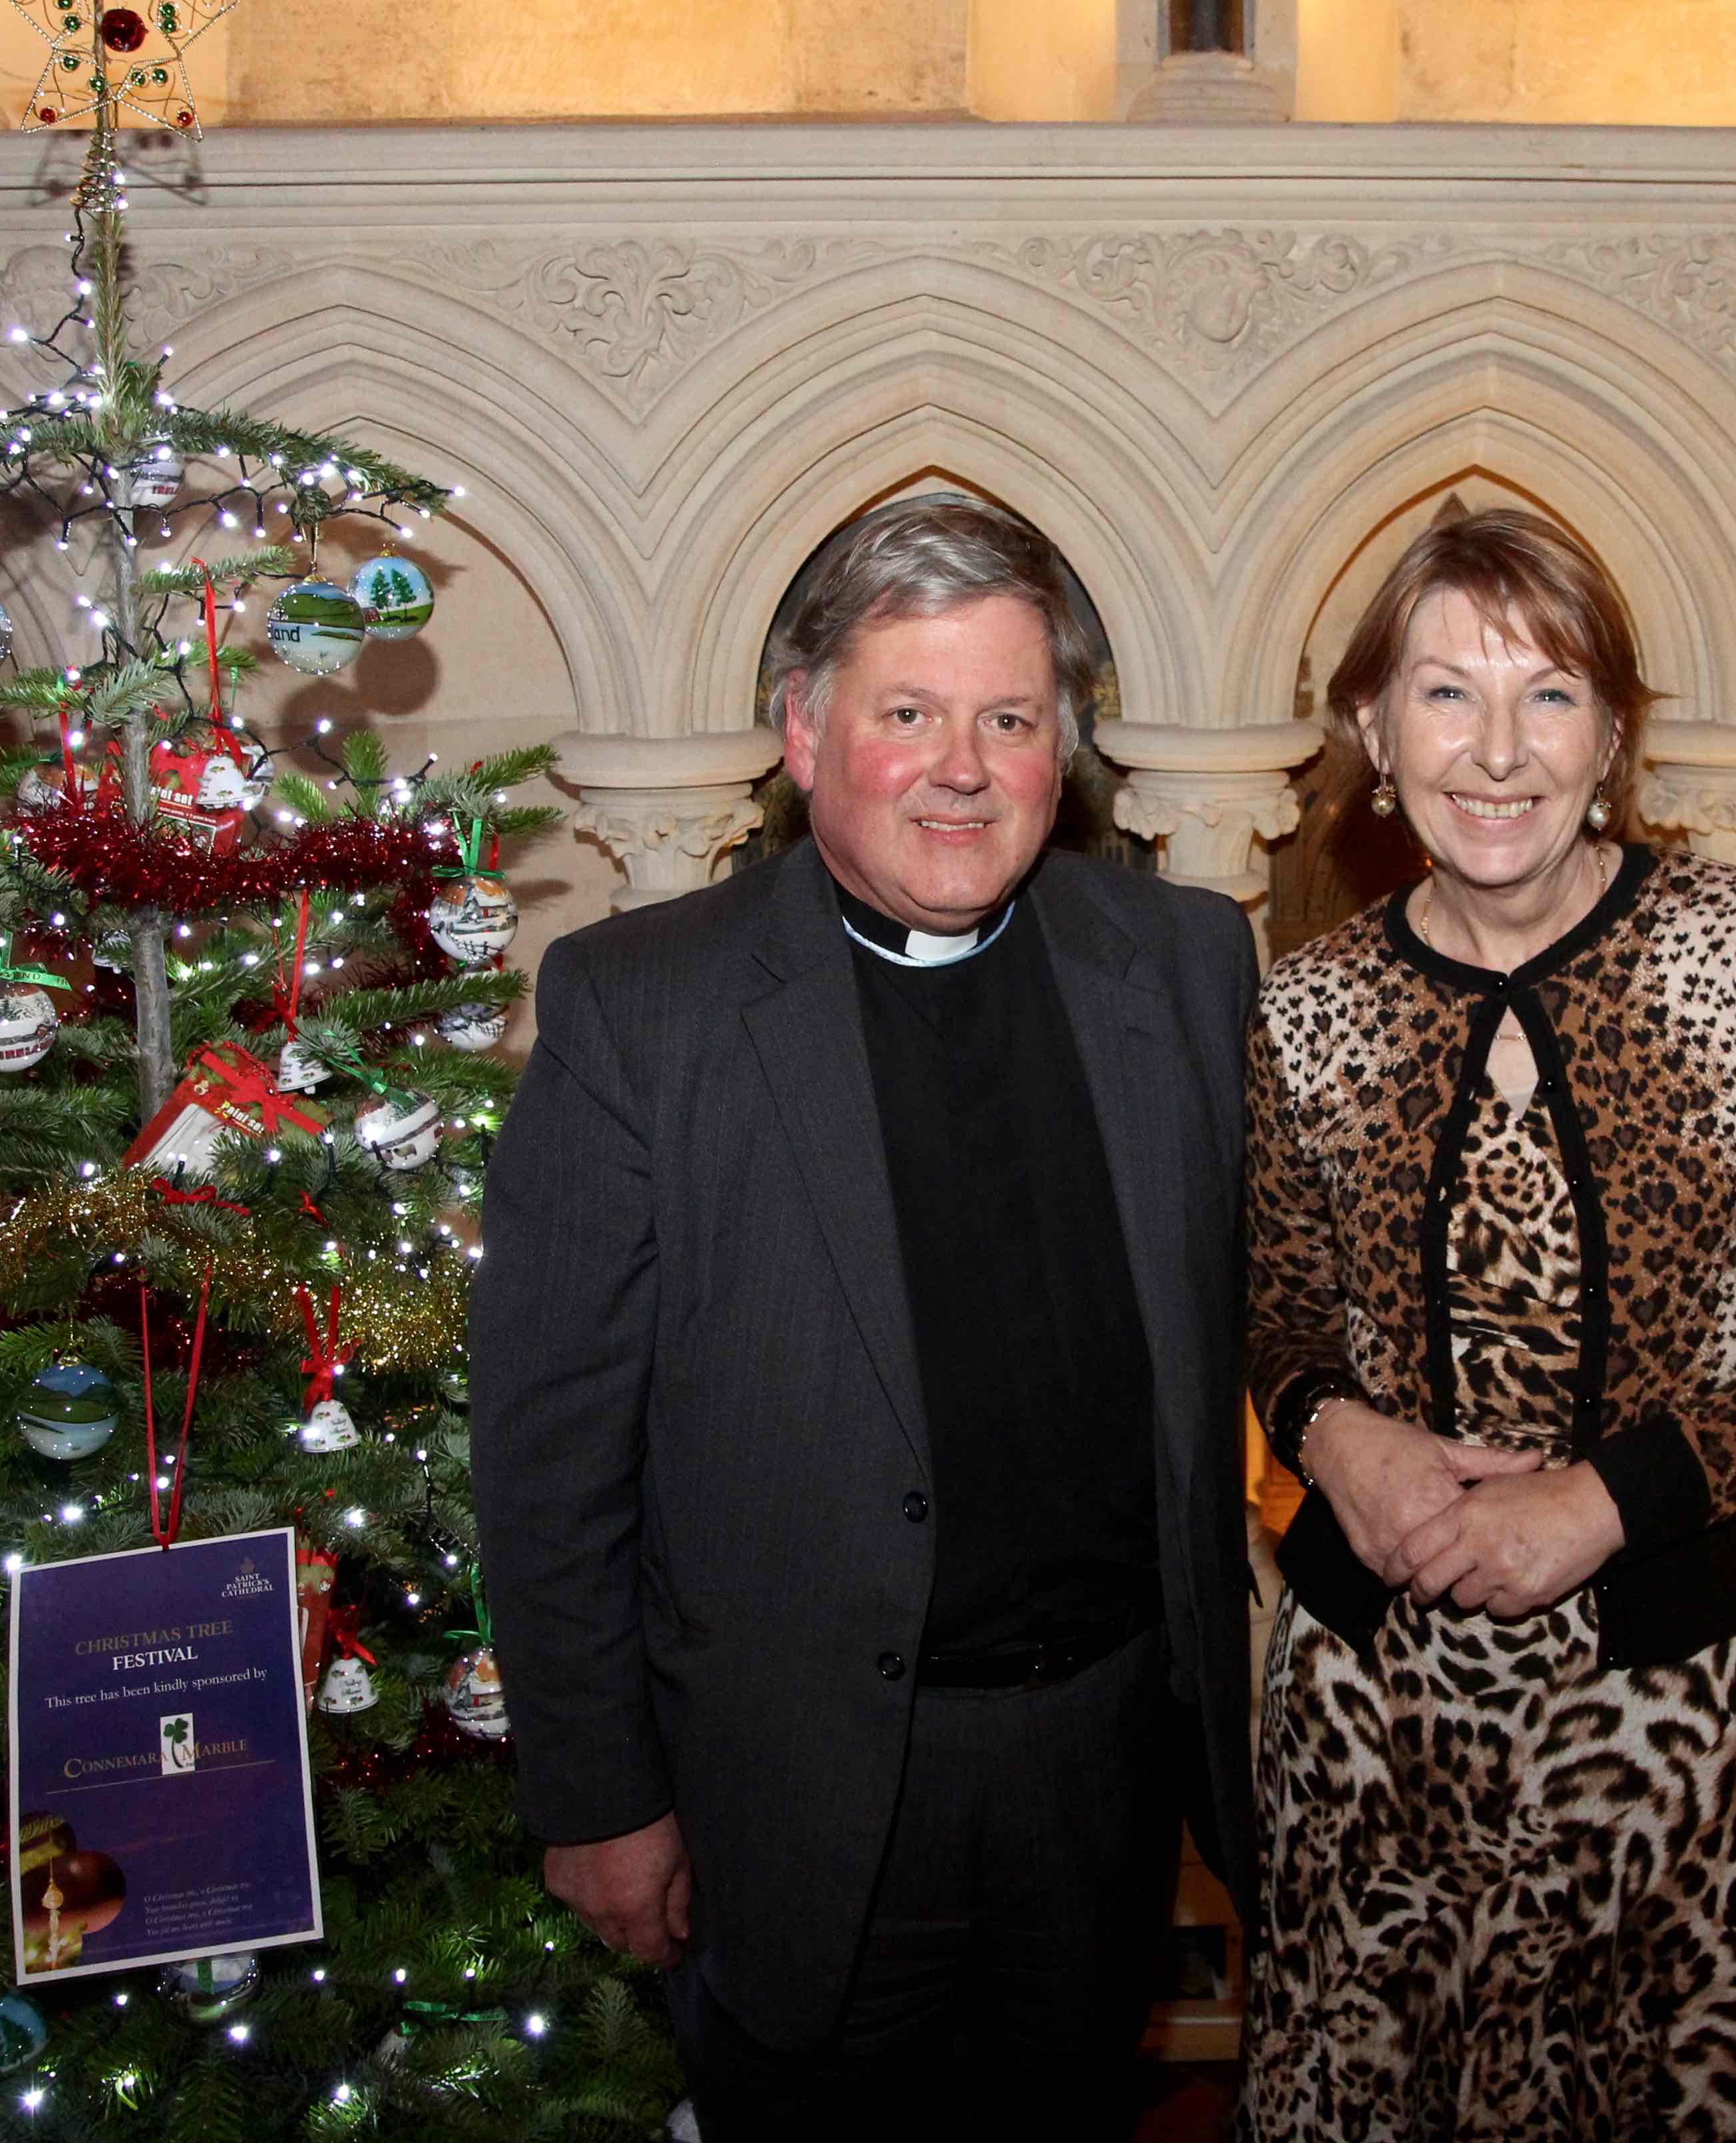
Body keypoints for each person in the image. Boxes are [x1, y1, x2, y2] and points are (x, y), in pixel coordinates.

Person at [471, 495, 1259, 2138]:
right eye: (907, 713)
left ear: (1064, 750)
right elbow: (549, 1450)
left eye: (1007, 719)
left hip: (1104, 1760)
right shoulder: (643, 1006)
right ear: (803, 730)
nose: (958, 766)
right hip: (806, 1783)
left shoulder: (1184, 963)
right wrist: (602, 1795)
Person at [1240, 509, 1736, 2140]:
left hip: (1666, 1724)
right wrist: (1336, 1438)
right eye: (1443, 695)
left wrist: (1606, 1499)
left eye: (1546, 696)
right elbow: (1267, 1308)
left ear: (1610, 735)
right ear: (1371, 732)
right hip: (1367, 1728)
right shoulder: (1304, 1003)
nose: (1494, 752)